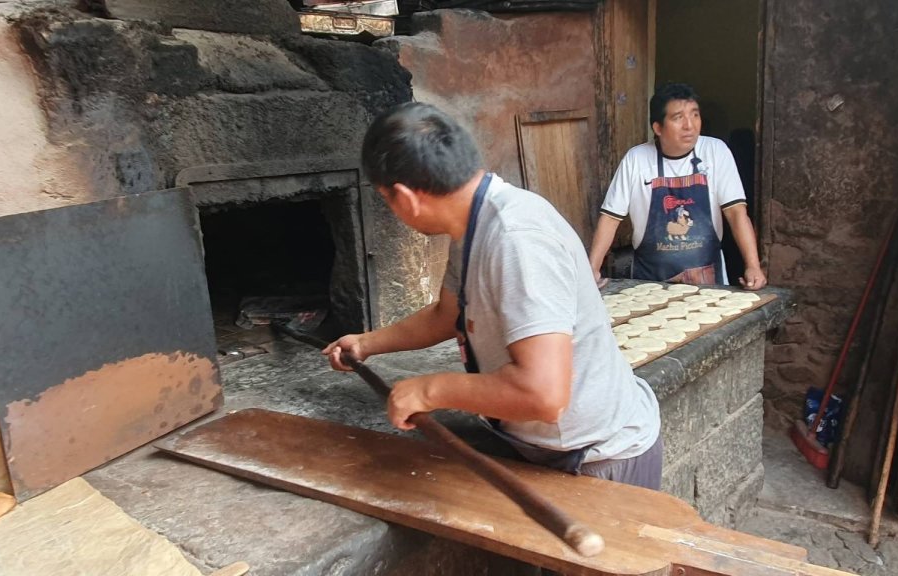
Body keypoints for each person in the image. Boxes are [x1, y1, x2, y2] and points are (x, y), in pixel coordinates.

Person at [323, 102, 662, 488]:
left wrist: (428, 390)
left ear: (405, 196)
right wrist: (366, 344)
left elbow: (543, 394)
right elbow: (446, 314)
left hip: (600, 461)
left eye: (387, 199)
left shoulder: (516, 240)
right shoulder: (472, 221)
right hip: (550, 449)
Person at [588, 83, 767, 290]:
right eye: (678, 118)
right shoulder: (636, 159)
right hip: (649, 281)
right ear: (657, 127)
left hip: (708, 280)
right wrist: (592, 267)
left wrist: (753, 265)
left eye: (695, 115)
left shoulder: (716, 152)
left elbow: (736, 213)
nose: (689, 126)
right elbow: (610, 218)